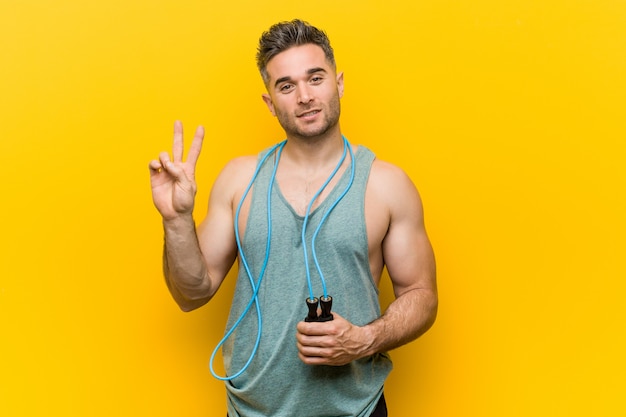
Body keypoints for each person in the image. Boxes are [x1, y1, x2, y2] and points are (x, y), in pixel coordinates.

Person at [148, 19, 437, 417]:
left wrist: (365, 339)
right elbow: (191, 294)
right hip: (251, 410)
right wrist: (177, 219)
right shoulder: (239, 180)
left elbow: (421, 295)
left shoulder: (386, 185)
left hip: (357, 409)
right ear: (270, 103)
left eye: (315, 78)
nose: (304, 96)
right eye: (286, 86)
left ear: (339, 83)